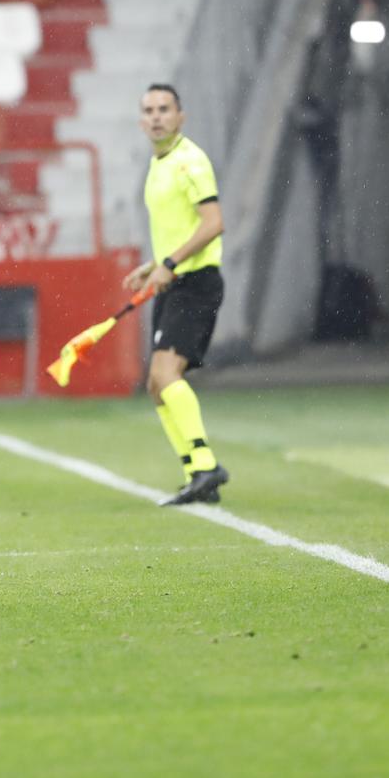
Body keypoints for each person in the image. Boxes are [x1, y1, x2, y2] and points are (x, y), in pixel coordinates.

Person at [130, 83, 229, 506]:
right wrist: (154, 265)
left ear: (181, 116)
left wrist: (169, 265)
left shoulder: (190, 161)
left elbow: (212, 223)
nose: (156, 117)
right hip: (174, 280)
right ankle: (195, 472)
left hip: (195, 282)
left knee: (166, 375)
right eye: (149, 110)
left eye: (164, 109)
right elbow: (181, 228)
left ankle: (206, 466)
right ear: (141, 119)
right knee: (157, 384)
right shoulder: (159, 163)